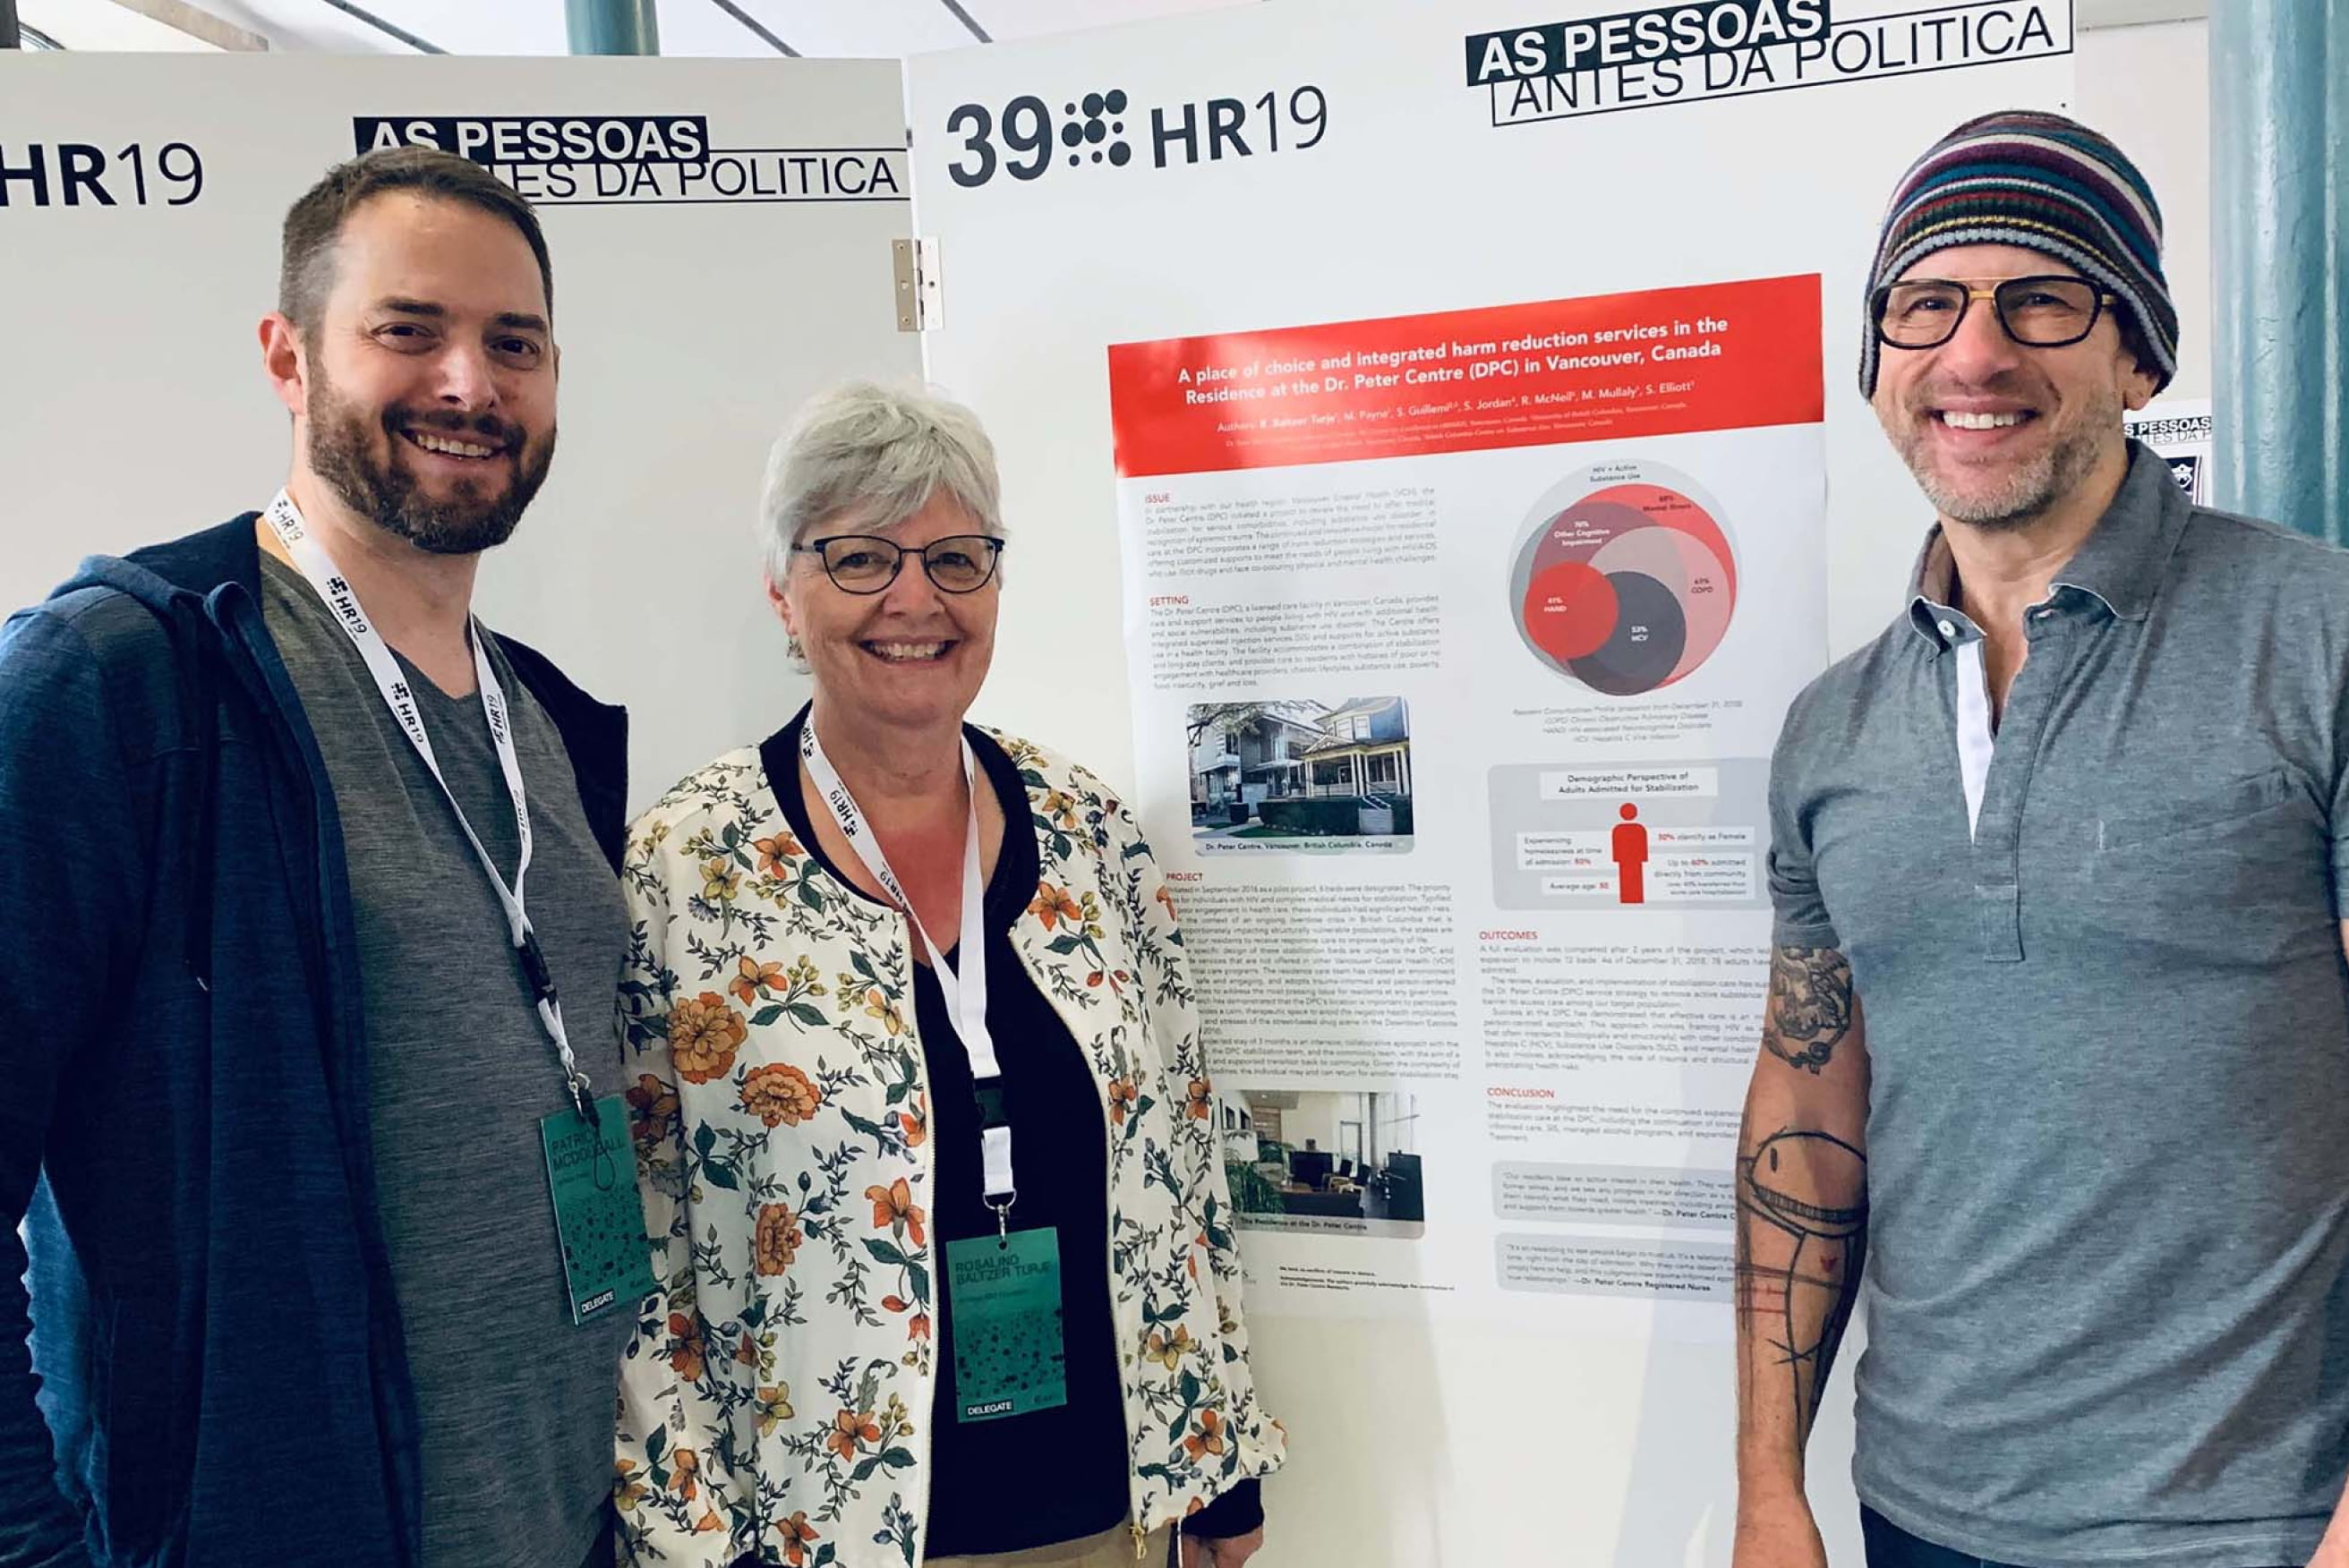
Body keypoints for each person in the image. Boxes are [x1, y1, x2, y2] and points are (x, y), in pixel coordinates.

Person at [0, 147, 633, 1568]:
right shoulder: (120, 685)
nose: (470, 385)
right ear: (288, 358)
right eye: (408, 331)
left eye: (512, 344)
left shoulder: (550, 719)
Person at [1733, 109, 2349, 1568]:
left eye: (2043, 299)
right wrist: (1771, 1488)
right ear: (1881, 362)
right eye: (1926, 303)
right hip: (1923, 1514)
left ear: (2138, 353)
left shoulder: (2318, 638)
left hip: (2254, 1527)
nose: (1975, 354)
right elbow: (1809, 1127)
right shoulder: (1834, 731)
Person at [614, 383, 1282, 1568]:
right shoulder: (688, 867)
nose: (914, 598)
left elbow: (1180, 1157)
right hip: (818, 1531)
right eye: (861, 557)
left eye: (956, 558)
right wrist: (687, 1533)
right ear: (785, 588)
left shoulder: (1090, 834)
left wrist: (1214, 1466)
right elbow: (644, 1234)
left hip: (1100, 1518)